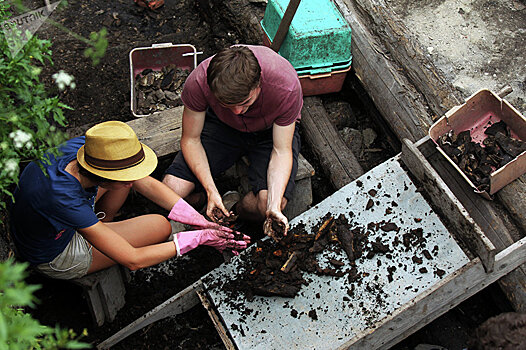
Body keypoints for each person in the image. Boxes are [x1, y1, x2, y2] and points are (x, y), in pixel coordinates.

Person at [9, 121, 249, 280]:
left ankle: (103, 227)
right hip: (55, 253)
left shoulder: (89, 149)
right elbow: (133, 260)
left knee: (127, 186)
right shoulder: (64, 198)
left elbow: (144, 182)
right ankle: (101, 236)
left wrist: (196, 219)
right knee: (161, 226)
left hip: (58, 218)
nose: (132, 182)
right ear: (105, 176)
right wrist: (196, 239)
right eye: (124, 178)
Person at [162, 45, 303, 239]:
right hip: (222, 126)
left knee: (266, 205)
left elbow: (281, 151)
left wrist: (272, 206)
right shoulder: (199, 81)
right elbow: (191, 139)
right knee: (171, 190)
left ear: (258, 85)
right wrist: (211, 190)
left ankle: (236, 209)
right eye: (228, 104)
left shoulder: (285, 86)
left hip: (270, 131)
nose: (237, 111)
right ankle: (205, 200)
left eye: (245, 103)